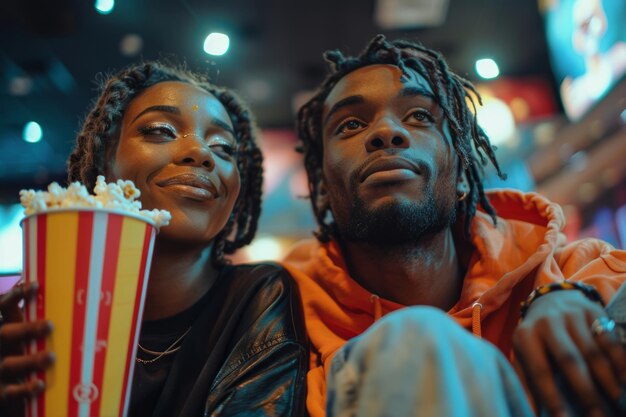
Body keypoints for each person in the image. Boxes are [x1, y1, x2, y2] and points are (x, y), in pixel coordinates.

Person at [283, 34, 626, 417]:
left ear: (462, 174)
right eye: (350, 124)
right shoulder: (280, 316)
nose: (386, 132)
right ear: (322, 188)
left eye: (419, 116)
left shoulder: (569, 270)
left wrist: (569, 295)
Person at [0, 61, 307, 416]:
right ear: (103, 163)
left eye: (223, 147)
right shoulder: (42, 314)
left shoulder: (258, 297)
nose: (203, 154)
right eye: (161, 130)